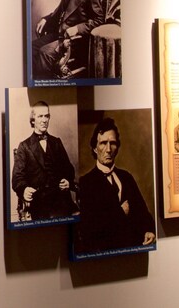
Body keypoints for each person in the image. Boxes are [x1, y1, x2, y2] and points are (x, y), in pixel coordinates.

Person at [75, 117, 156, 254]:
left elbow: (143, 212)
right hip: (104, 257)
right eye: (103, 143)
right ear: (95, 148)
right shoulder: (86, 183)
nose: (108, 149)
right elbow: (89, 229)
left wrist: (149, 230)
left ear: (117, 147)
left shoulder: (126, 177)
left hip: (133, 253)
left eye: (112, 143)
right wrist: (120, 213)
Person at [32, 0, 105, 78]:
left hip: (72, 42)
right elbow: (59, 12)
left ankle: (45, 86)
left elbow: (99, 20)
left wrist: (77, 28)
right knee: (31, 47)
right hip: (58, 34)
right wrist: (45, 19)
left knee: (44, 52)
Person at [10, 101, 77, 221]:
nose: (44, 120)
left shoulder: (56, 142)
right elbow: (17, 178)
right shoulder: (24, 146)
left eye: (47, 116)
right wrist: (24, 189)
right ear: (33, 120)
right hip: (39, 202)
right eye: (40, 116)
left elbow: (69, 169)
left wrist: (68, 181)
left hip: (61, 199)